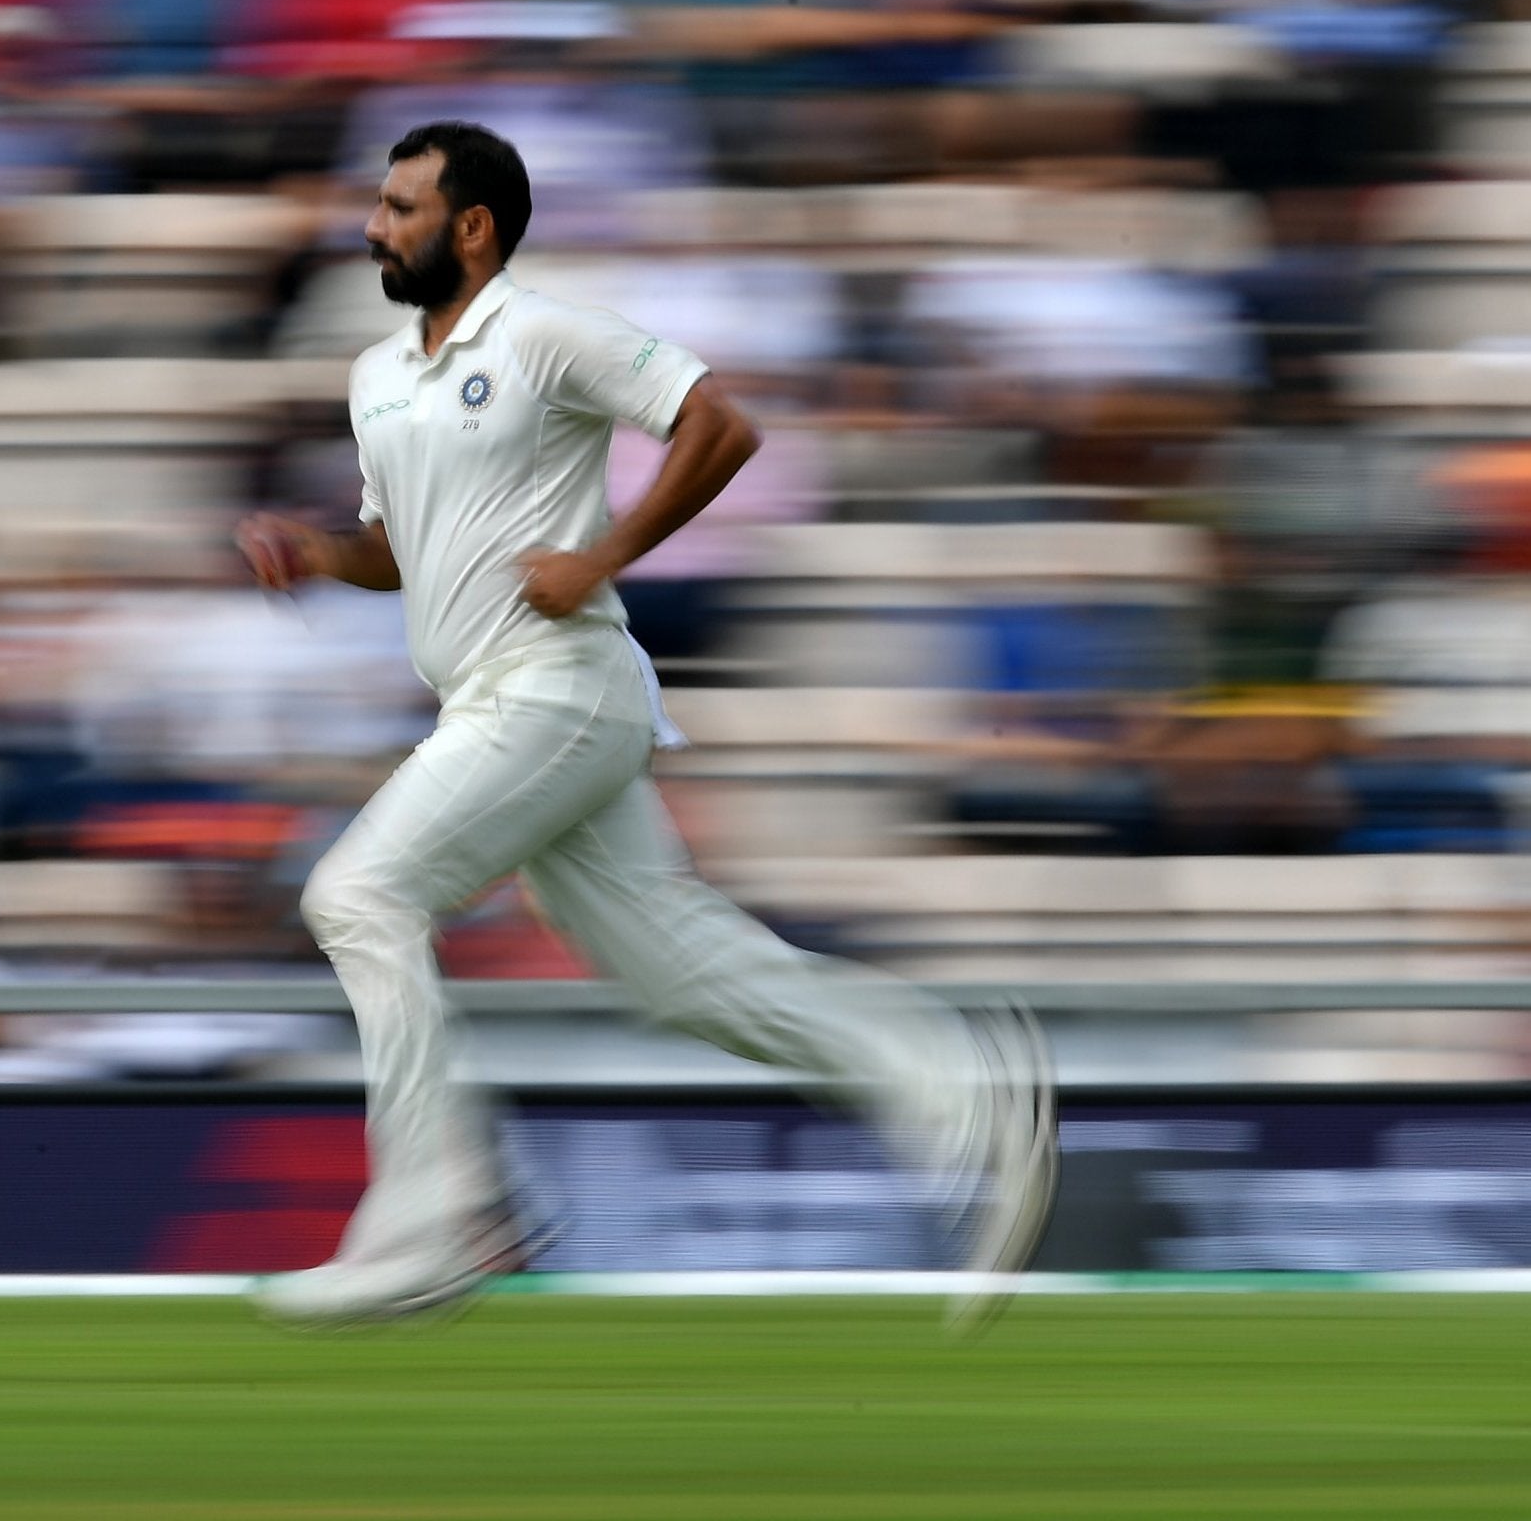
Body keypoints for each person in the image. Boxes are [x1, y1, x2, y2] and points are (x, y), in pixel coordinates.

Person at [235, 121, 1056, 1331]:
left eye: (402, 207)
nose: (373, 226)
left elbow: (719, 423)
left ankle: (444, 1213)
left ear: (473, 228)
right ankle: (963, 1088)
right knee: (689, 976)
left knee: (357, 895)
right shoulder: (378, 375)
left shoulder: (547, 331)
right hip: (503, 698)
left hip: (554, 681)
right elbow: (403, 550)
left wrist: (600, 554)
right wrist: (317, 550)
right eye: (379, 203)